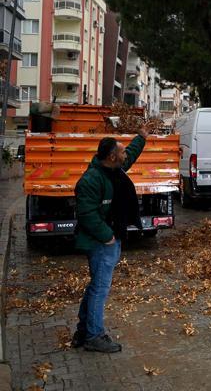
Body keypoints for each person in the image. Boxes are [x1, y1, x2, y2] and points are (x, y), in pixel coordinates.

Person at [71, 124, 149, 352]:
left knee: (95, 286)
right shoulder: (91, 179)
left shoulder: (114, 168)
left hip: (109, 239)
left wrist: (141, 137)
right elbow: (86, 214)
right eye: (122, 152)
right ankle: (94, 336)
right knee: (99, 289)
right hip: (100, 243)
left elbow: (131, 154)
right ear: (113, 157)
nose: (126, 156)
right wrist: (108, 237)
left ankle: (83, 331)